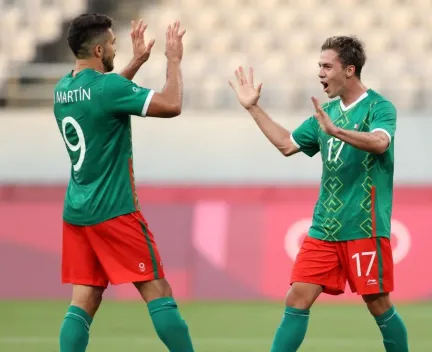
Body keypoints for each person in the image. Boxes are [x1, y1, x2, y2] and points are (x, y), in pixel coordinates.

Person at [229, 35, 409, 352]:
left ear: (349, 70)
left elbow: (381, 142)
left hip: (364, 227)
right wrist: (253, 108)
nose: (320, 74)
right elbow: (287, 145)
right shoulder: (324, 114)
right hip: (324, 228)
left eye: (327, 66)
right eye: (319, 67)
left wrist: (336, 131)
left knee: (378, 303)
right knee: (297, 297)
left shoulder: (380, 107)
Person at [53, 13, 194, 352]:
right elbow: (171, 104)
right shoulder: (108, 88)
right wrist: (172, 61)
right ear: (100, 49)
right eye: (113, 46)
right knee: (158, 292)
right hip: (114, 210)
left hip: (77, 212)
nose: (117, 50)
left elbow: (104, 96)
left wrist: (135, 61)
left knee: (84, 300)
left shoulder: (63, 89)